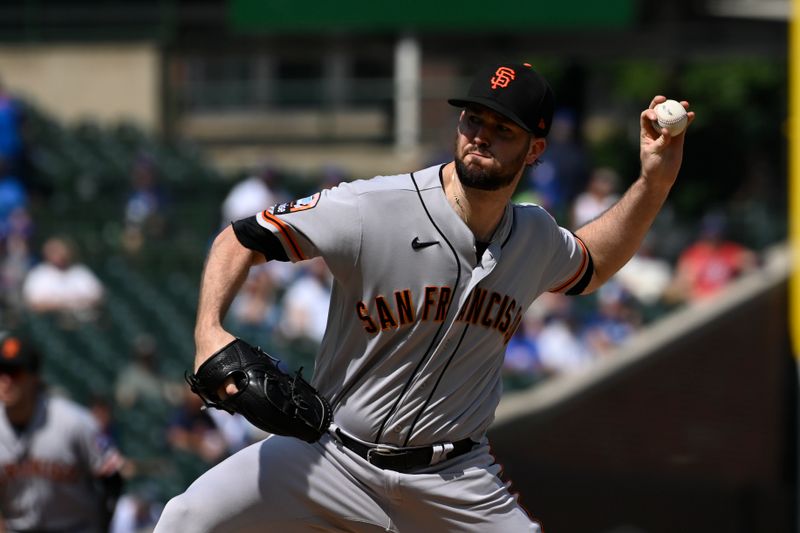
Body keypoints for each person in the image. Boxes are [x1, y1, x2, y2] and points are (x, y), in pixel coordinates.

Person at [155, 62, 694, 532]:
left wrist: (654, 183)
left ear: (535, 150)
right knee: (185, 520)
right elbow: (241, 237)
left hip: (455, 481)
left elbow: (592, 263)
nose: (480, 136)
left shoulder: (534, 236)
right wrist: (209, 332)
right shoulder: (372, 208)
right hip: (331, 457)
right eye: (473, 120)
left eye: (501, 128)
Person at [0, 331, 125, 532]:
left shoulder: (73, 421)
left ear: (34, 377)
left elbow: (112, 477)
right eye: (1, 371)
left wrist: (102, 526)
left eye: (15, 372)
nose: (6, 380)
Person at [20, 236, 105, 324]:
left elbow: (98, 297)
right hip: (51, 324)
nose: (59, 254)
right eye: (54, 251)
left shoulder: (80, 272)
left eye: (61, 250)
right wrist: (64, 305)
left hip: (84, 322)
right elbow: (33, 304)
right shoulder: (39, 275)